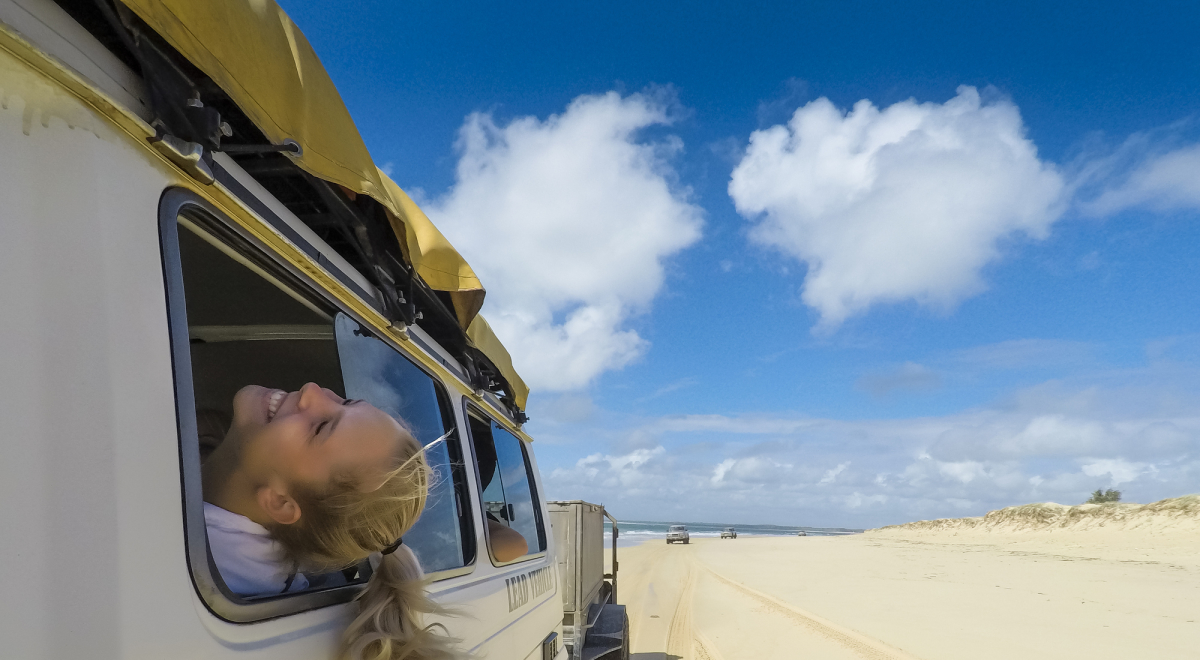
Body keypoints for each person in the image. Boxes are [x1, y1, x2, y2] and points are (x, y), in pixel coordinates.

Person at [201, 382, 461, 660]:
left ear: (281, 503)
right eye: (347, 402)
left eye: (320, 427)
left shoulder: (177, 556)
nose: (311, 390)